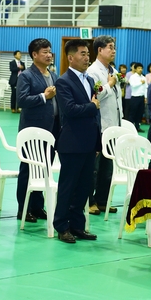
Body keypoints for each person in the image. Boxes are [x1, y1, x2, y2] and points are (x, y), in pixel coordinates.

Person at [54, 39, 100, 244]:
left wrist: (98, 142)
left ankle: (77, 225)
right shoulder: (63, 81)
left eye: (87, 53)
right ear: (70, 57)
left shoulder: (89, 80)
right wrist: (92, 106)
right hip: (72, 143)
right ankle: (62, 226)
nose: (86, 57)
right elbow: (70, 110)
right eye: (82, 53)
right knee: (68, 186)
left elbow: (93, 115)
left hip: (89, 142)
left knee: (85, 186)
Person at [15, 38, 59, 223]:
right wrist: (43, 96)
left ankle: (37, 206)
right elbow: (22, 100)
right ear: (34, 55)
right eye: (44, 52)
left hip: (52, 130)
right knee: (28, 169)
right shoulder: (26, 75)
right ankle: (23, 209)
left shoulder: (53, 75)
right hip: (33, 130)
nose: (49, 55)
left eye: (50, 51)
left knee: (45, 169)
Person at [86, 35, 122, 215]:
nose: (113, 50)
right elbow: (96, 97)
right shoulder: (93, 71)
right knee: (95, 167)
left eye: (114, 47)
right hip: (100, 126)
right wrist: (109, 84)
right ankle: (90, 201)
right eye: (110, 47)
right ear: (99, 50)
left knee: (108, 168)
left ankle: (102, 200)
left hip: (113, 126)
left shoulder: (113, 71)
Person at [128, 62, 147, 132]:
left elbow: (146, 87)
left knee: (140, 113)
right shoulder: (132, 77)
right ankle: (130, 128)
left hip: (141, 97)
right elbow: (133, 85)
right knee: (132, 113)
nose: (140, 69)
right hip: (135, 97)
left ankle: (137, 127)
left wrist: (146, 97)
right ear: (135, 69)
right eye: (138, 68)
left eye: (141, 68)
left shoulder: (143, 77)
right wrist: (140, 83)